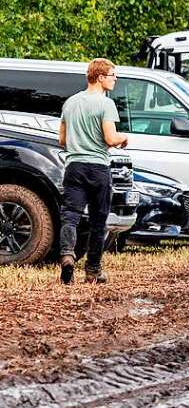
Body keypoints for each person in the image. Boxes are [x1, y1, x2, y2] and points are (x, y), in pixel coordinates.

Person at [57, 58, 129, 284]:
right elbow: (110, 137)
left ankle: (67, 254)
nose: (115, 79)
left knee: (70, 216)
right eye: (112, 75)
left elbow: (62, 140)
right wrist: (123, 138)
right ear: (100, 78)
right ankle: (93, 270)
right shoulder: (105, 104)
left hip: (74, 167)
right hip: (98, 168)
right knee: (99, 220)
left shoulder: (70, 103)